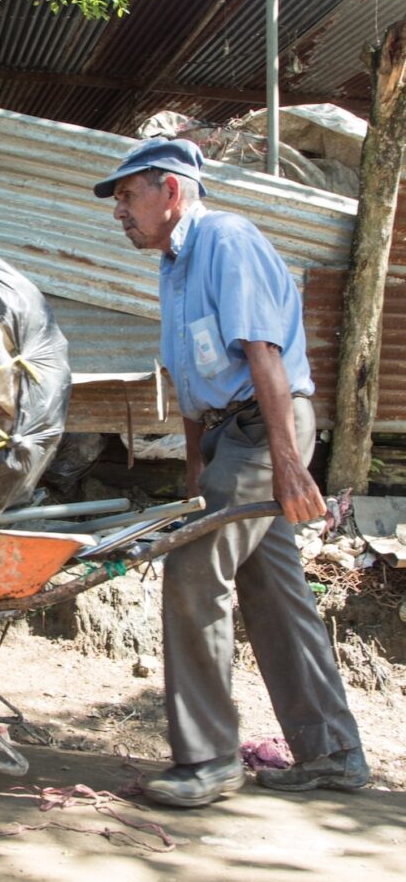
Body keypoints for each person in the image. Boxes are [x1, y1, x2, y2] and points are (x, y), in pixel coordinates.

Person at [93, 138, 369, 808]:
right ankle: (333, 751)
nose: (119, 212)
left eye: (128, 196)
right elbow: (191, 383)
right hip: (231, 439)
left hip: (265, 429)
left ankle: (210, 759)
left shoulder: (227, 240)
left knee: (192, 573)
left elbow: (262, 355)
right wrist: (196, 472)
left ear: (171, 191)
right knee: (274, 590)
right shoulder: (173, 267)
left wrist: (287, 465)